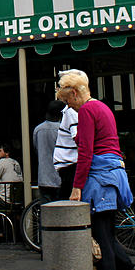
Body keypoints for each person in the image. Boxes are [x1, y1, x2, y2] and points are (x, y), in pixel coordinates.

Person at [61, 68, 135, 270]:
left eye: (68, 101)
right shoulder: (103, 107)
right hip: (115, 176)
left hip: (99, 179)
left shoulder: (86, 110)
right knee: (108, 234)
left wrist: (77, 187)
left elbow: (86, 152)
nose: (70, 107)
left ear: (75, 93)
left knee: (100, 238)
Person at [53, 71, 80, 199]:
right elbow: (78, 139)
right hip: (70, 164)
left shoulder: (70, 112)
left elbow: (78, 139)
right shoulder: (71, 112)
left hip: (68, 164)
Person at [33, 100, 64, 202]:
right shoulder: (62, 130)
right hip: (59, 177)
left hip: (44, 177)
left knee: (46, 210)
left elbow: (36, 149)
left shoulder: (38, 129)